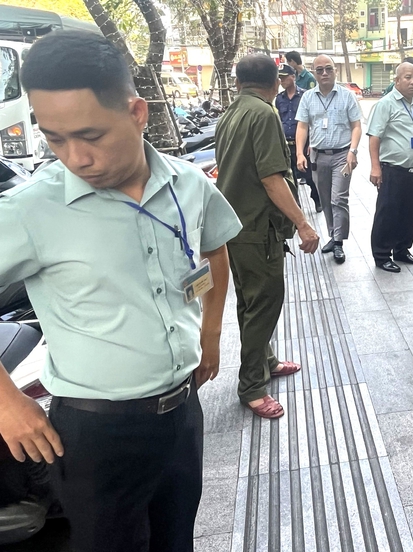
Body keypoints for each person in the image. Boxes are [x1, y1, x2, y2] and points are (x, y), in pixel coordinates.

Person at [0, 31, 242, 552]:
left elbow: (216, 250)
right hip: (94, 434)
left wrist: (213, 334)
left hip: (181, 413)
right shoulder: (28, 212)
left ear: (137, 113)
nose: (75, 157)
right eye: (55, 139)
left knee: (176, 539)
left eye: (90, 135)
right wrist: (6, 402)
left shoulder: (188, 182)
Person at [215, 56, 320, 419]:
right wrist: (303, 224)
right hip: (257, 227)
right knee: (264, 303)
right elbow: (272, 177)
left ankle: (267, 360)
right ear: (275, 81)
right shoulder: (263, 114)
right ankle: (252, 386)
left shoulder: (233, 111)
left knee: (250, 300)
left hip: (235, 226)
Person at [295, 54, 362, 264]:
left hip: (343, 155)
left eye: (329, 69)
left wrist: (353, 151)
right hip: (318, 156)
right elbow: (302, 126)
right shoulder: (307, 98)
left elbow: (356, 126)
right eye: (320, 70)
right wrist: (299, 152)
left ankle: (339, 242)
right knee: (325, 200)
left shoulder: (346, 96)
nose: (325, 73)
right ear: (313, 73)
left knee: (338, 198)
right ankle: (333, 236)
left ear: (335, 71)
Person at [368, 62, 413, 273]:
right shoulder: (386, 104)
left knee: (410, 213)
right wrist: (375, 167)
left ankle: (402, 250)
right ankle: (382, 254)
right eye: (407, 77)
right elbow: (374, 136)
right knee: (388, 213)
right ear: (397, 80)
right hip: (393, 169)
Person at [275, 64, 322, 212]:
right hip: (286, 145)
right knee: (290, 179)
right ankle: (297, 207)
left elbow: (314, 121)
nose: (282, 80)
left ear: (293, 77)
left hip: (303, 145)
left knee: (309, 177)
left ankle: (317, 199)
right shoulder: (279, 99)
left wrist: (312, 141)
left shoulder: (305, 96)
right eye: (280, 78)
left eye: (284, 77)